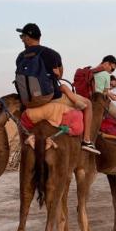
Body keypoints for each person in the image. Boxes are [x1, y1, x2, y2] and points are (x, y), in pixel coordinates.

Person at [15, 23, 99, 154]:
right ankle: (87, 141)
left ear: (28, 37)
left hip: (28, 101)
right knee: (88, 104)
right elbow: (58, 75)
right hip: (50, 97)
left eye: (22, 36)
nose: (21, 39)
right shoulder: (51, 54)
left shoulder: (20, 57)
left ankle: (23, 143)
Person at [90, 56, 116, 160]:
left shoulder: (92, 72)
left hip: (91, 100)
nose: (112, 71)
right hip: (101, 101)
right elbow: (105, 93)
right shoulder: (105, 74)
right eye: (112, 68)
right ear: (107, 64)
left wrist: (111, 95)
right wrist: (114, 96)